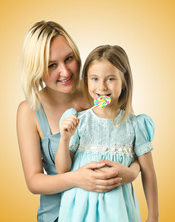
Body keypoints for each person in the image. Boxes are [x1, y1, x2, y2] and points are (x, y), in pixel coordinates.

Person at [17, 21, 140, 222]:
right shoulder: (30, 110)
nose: (65, 72)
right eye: (51, 65)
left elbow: (134, 144)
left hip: (110, 213)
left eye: (69, 58)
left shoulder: (99, 91)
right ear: (36, 69)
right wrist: (77, 179)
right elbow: (33, 181)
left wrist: (131, 173)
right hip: (58, 215)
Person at [55, 45, 159, 222]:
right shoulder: (79, 121)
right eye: (94, 79)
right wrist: (64, 139)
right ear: (86, 81)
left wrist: (153, 216)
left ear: (124, 81)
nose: (101, 87)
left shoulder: (136, 125)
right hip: (78, 211)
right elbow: (62, 169)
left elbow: (148, 172)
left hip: (118, 212)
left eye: (110, 79)